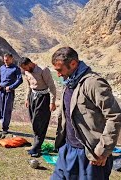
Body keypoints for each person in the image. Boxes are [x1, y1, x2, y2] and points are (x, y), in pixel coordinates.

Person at [50, 47, 121, 179]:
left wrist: (103, 150)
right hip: (67, 149)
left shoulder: (93, 83)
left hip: (89, 154)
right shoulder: (69, 82)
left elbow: (114, 116)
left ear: (73, 64)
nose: (58, 74)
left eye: (60, 70)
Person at [18, 57, 57, 157]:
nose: (25, 70)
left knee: (40, 122)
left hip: (43, 98)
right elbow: (28, 86)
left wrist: (52, 102)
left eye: (25, 68)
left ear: (30, 63)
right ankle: (36, 145)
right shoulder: (27, 72)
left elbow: (51, 86)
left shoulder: (43, 70)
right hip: (32, 97)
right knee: (33, 120)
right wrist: (27, 99)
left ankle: (36, 147)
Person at [0, 53, 23, 133]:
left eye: (7, 60)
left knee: (6, 110)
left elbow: (20, 80)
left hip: (9, 92)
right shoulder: (2, 68)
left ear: (11, 59)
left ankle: (5, 128)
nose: (5, 61)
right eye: (4, 60)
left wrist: (11, 87)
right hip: (0, 91)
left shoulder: (16, 69)